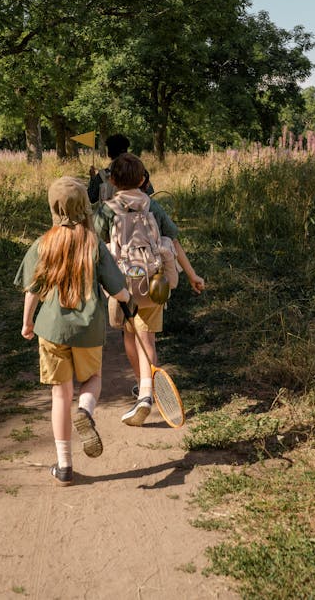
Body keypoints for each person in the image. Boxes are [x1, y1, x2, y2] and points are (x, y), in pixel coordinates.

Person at [14, 176, 131, 485]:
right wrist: (127, 300)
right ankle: (87, 411)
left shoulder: (44, 243)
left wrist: (27, 322)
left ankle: (64, 465)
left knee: (59, 394)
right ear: (84, 206)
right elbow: (117, 288)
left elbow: (33, 289)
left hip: (52, 329)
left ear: (54, 207)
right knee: (92, 378)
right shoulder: (93, 244)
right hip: (89, 329)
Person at [93, 152, 205, 426]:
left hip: (121, 285)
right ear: (143, 180)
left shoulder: (107, 209)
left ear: (113, 180)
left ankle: (144, 388)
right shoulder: (153, 207)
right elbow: (174, 242)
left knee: (129, 338)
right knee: (148, 339)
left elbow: (97, 246)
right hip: (154, 283)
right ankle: (146, 390)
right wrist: (192, 275)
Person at [88, 132, 154, 204]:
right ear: (126, 151)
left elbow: (91, 198)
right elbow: (150, 191)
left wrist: (93, 178)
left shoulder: (102, 176)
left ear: (109, 153)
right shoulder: (139, 171)